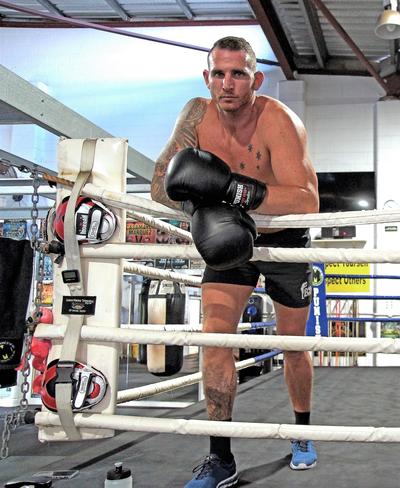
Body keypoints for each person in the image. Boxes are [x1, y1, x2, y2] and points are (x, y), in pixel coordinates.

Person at [150, 36, 319, 488]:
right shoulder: (195, 115)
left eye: (238, 73)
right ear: (207, 78)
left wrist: (230, 188)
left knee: (293, 346)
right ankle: (220, 456)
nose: (227, 83)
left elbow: (307, 201)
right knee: (215, 339)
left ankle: (302, 432)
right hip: (228, 240)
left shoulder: (278, 119)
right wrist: (199, 207)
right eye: (219, 73)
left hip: (284, 239)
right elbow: (161, 182)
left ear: (255, 78)